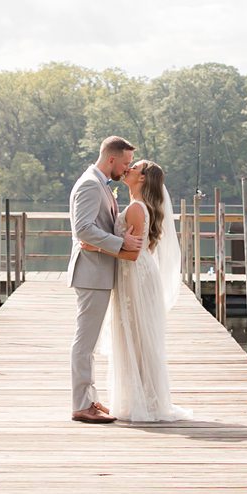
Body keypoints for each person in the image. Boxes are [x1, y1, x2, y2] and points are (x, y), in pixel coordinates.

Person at [98, 158, 191, 423]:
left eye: (134, 167)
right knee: (135, 337)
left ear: (141, 178)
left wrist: (97, 246)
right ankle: (136, 397)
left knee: (138, 337)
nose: (128, 169)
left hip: (136, 276)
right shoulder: (138, 206)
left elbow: (131, 254)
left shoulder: (138, 208)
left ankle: (146, 400)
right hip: (135, 275)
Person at [65, 136, 138, 423]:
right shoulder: (89, 184)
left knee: (90, 342)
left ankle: (90, 399)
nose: (126, 168)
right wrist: (121, 244)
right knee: (85, 342)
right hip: (91, 272)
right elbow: (82, 229)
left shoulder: (99, 184)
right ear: (111, 159)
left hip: (97, 272)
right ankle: (81, 404)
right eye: (125, 163)